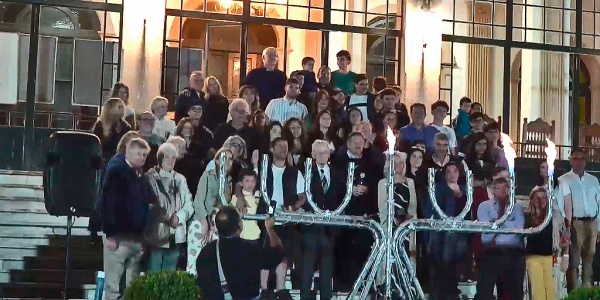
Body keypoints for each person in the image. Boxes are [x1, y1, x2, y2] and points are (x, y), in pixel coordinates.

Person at [100, 138, 153, 300]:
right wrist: (109, 234)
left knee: (131, 289)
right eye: (139, 153)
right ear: (128, 152)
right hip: (118, 238)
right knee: (114, 287)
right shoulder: (116, 171)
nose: (142, 158)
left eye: (144, 155)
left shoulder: (140, 175)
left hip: (136, 239)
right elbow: (107, 203)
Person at [196, 206, 284, 300]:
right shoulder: (249, 249)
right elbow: (278, 253)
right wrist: (270, 228)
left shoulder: (205, 253)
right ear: (240, 224)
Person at [300, 140, 345, 300]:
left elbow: (341, 197)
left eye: (325, 152)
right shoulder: (305, 172)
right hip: (310, 226)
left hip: (329, 227)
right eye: (318, 153)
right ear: (312, 155)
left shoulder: (337, 172)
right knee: (307, 267)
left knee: (327, 269)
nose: (322, 156)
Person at [144, 143, 194, 271]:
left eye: (174, 157)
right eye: (167, 156)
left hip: (175, 234)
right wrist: (164, 217)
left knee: (170, 273)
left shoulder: (180, 179)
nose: (171, 160)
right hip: (156, 234)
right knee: (154, 272)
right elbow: (148, 204)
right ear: (160, 158)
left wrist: (179, 216)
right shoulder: (149, 178)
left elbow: (189, 204)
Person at [475, 177, 525, 300]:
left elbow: (518, 229)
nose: (503, 190)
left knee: (513, 293)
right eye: (498, 187)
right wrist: (507, 223)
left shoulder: (516, 207)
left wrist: (495, 223)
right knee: (484, 292)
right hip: (491, 252)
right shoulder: (484, 206)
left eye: (505, 187)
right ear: (492, 190)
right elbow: (485, 229)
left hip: (512, 252)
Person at [559, 149, 600, 290]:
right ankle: (574, 291)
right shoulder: (564, 179)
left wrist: (598, 226)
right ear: (570, 161)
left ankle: (586, 289)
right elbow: (561, 204)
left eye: (582, 158)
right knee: (574, 259)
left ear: (586, 161)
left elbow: (598, 202)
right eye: (576, 158)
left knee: (590, 255)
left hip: (592, 221)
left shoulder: (593, 180)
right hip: (575, 222)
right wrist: (566, 225)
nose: (579, 161)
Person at [229, 168, 262, 242]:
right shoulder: (236, 198)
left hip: (257, 237)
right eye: (247, 181)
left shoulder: (259, 197)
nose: (250, 184)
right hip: (242, 237)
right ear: (241, 183)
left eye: (253, 181)